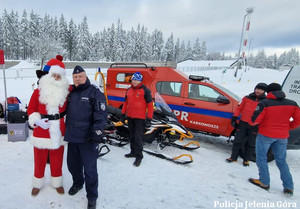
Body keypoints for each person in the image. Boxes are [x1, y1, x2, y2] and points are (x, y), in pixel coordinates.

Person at [64, 65, 107, 209]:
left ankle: (92, 196)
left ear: (85, 76)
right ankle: (77, 183)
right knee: (73, 165)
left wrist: (96, 133)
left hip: (88, 139)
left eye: (80, 76)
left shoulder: (95, 93)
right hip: (72, 137)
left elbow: (101, 116)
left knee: (90, 170)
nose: (77, 79)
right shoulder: (70, 93)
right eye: (75, 77)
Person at [27, 55, 69, 196]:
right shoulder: (38, 92)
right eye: (53, 75)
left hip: (59, 130)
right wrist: (36, 120)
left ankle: (57, 182)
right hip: (41, 130)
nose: (56, 78)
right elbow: (31, 109)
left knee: (57, 159)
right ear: (48, 75)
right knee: (39, 160)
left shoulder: (66, 92)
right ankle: (37, 183)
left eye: (59, 76)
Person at [249, 83, 300, 196]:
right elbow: (298, 120)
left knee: (261, 158)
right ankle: (289, 186)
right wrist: (287, 127)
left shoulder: (264, 103)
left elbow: (254, 120)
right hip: (282, 136)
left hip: (265, 135)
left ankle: (264, 182)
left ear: (268, 92)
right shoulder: (293, 103)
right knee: (281, 161)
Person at [226, 82, 267, 166]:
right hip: (243, 123)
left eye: (261, 90)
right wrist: (234, 118)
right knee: (237, 141)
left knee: (250, 144)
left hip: (255, 126)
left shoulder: (266, 101)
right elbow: (239, 108)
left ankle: (246, 159)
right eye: (257, 89)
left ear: (264, 91)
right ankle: (233, 157)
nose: (258, 91)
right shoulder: (246, 98)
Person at [121, 71, 153, 167]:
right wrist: (123, 115)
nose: (134, 81)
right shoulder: (129, 90)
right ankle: (133, 152)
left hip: (140, 119)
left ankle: (139, 157)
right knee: (131, 136)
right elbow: (125, 103)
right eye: (133, 79)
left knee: (138, 138)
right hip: (130, 117)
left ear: (140, 81)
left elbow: (150, 106)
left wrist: (149, 119)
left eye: (137, 80)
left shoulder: (145, 91)